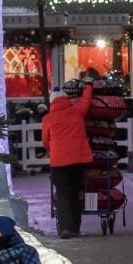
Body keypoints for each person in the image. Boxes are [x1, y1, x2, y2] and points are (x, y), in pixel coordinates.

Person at [42, 83, 95, 239]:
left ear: (52, 102)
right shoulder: (76, 111)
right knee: (74, 192)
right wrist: (88, 86)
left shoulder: (48, 118)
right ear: (66, 99)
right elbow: (86, 101)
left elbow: (45, 141)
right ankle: (75, 227)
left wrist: (53, 148)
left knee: (63, 194)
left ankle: (65, 228)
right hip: (78, 159)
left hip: (59, 161)